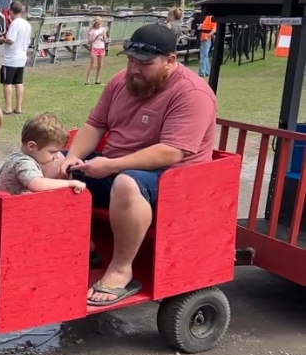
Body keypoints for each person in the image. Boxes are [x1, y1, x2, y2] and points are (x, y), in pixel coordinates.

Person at [58, 23, 217, 307]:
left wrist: (112, 165)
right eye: (131, 60)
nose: (134, 69)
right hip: (116, 165)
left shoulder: (192, 93)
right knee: (52, 164)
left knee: (127, 183)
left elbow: (171, 152)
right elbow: (95, 125)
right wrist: (71, 158)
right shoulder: (120, 81)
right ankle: (81, 248)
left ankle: (122, 270)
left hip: (172, 183)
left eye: (145, 63)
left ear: (170, 60)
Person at [0, 112, 85, 195]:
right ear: (32, 146)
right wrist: (69, 183)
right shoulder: (24, 162)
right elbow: (37, 185)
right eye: (52, 152)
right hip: (8, 207)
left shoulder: (18, 155)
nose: (56, 157)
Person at [0, 1, 32, 115]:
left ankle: (8, 107)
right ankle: (18, 107)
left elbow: (10, 40)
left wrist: (1, 39)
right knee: (19, 82)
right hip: (22, 56)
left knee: (7, 83)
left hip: (11, 58)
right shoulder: (27, 24)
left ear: (11, 11)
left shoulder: (15, 24)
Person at [85, 17, 108, 86]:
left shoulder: (103, 30)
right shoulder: (92, 31)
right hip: (95, 48)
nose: (99, 25)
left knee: (100, 65)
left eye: (100, 24)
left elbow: (105, 40)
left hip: (101, 48)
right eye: (98, 24)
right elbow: (89, 41)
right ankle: (87, 81)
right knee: (92, 65)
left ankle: (97, 80)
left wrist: (103, 38)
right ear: (95, 24)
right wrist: (96, 37)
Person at [196, 12, 216, 78]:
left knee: (203, 55)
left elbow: (213, 30)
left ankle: (202, 71)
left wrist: (207, 37)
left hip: (206, 39)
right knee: (205, 55)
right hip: (203, 38)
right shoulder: (207, 18)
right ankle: (206, 71)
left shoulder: (212, 18)